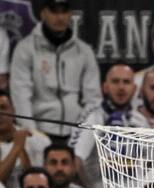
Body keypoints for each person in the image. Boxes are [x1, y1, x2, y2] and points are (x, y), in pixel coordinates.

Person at [8, 0, 101, 141]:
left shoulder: (84, 51)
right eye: (54, 11)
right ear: (43, 13)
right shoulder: (26, 48)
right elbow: (20, 96)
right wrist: (33, 135)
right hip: (39, 131)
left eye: (64, 11)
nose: (60, 17)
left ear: (70, 14)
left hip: (76, 133)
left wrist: (82, 137)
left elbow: (93, 99)